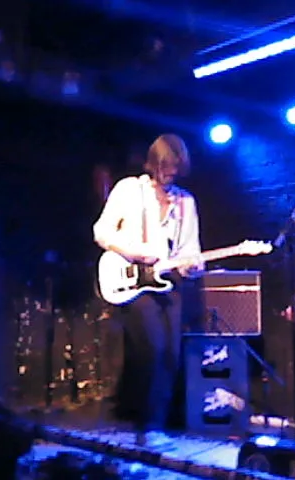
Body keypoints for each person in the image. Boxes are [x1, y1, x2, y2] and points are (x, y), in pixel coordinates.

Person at [92, 134, 203, 448]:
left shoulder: (185, 202)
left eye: (176, 167)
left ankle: (156, 425)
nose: (171, 173)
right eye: (165, 166)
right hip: (132, 281)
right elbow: (101, 231)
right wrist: (134, 252)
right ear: (153, 163)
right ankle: (145, 425)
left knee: (171, 353)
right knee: (152, 348)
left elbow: (190, 250)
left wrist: (193, 266)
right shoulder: (129, 189)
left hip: (167, 282)